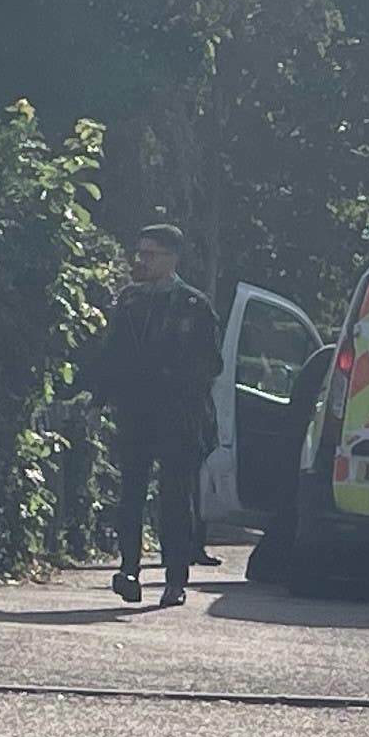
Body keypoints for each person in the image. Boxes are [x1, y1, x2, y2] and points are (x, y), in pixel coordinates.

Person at [87, 223, 224, 606]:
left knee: (174, 498)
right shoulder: (130, 302)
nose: (142, 261)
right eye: (141, 253)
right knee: (129, 493)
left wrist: (175, 380)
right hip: (137, 412)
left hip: (178, 415)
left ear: (171, 258)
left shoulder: (194, 306)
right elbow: (112, 354)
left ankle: (174, 579)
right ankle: (128, 567)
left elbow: (211, 363)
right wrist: (99, 400)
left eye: (151, 254)